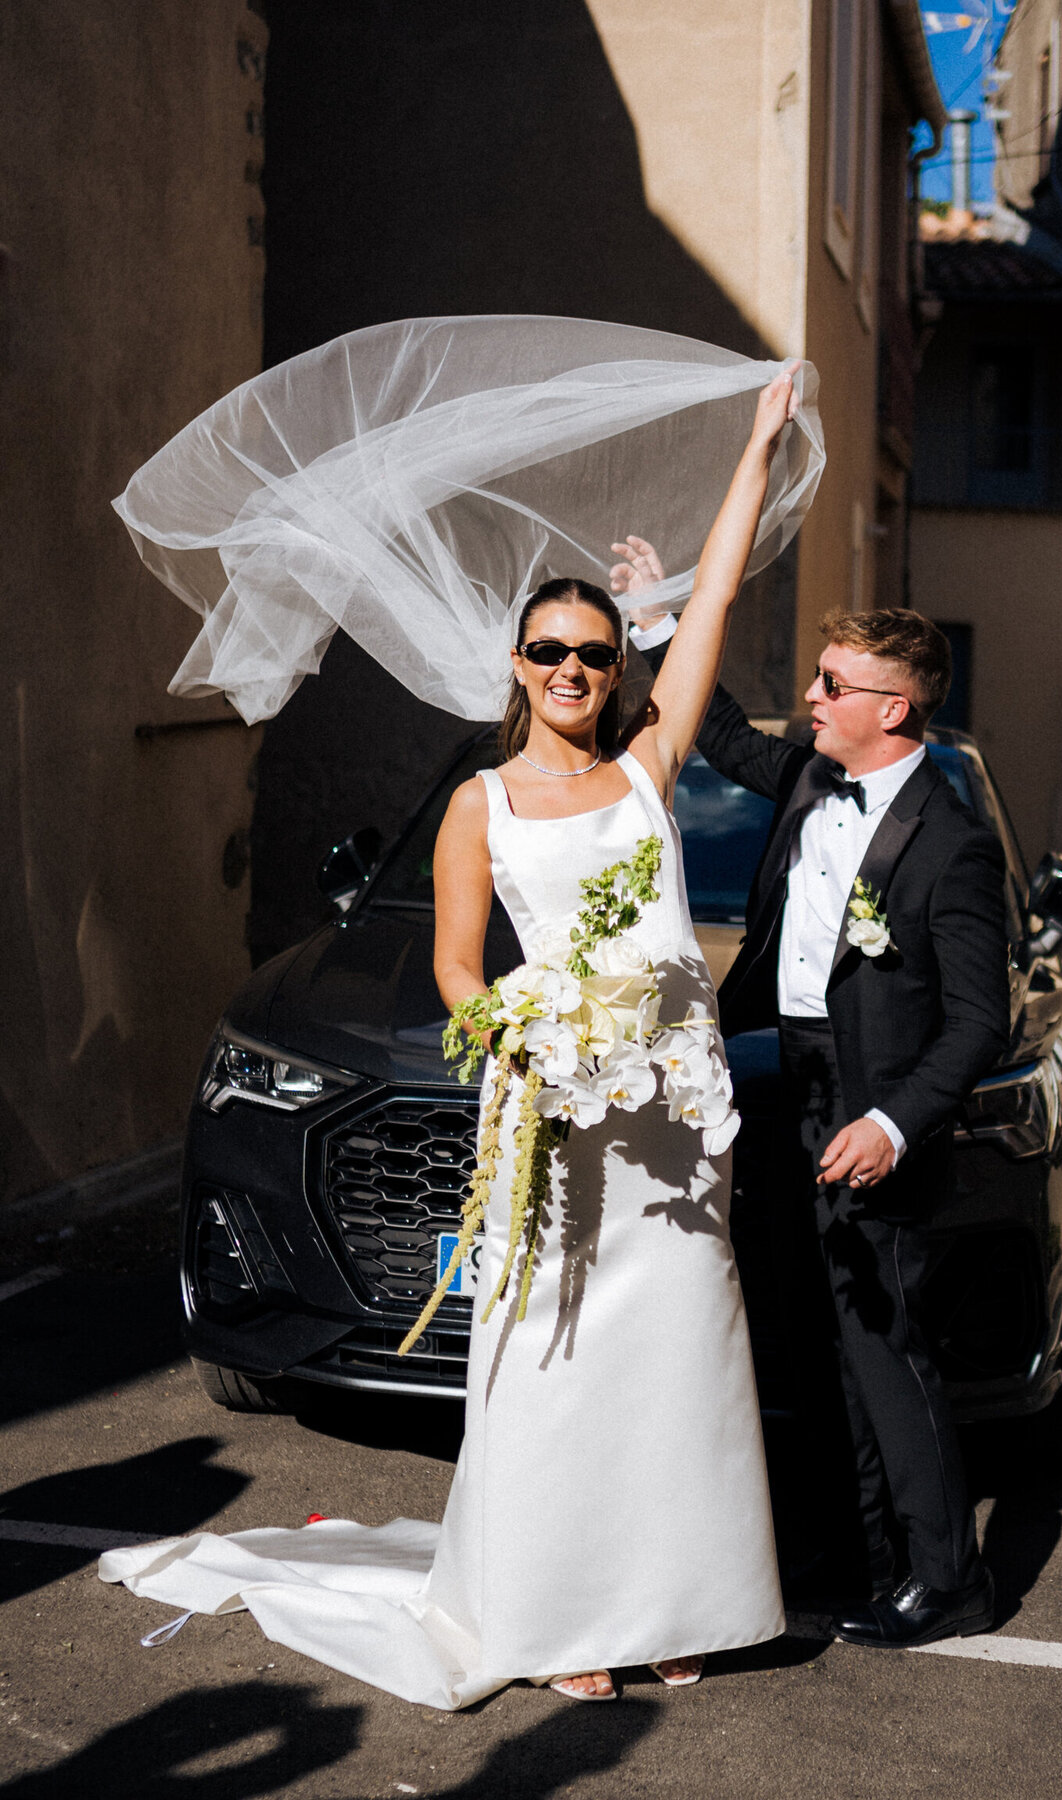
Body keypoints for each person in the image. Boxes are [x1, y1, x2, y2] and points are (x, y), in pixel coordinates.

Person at [101, 367, 801, 1708]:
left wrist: (755, 451)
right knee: (561, 1359)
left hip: (667, 1110)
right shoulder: (482, 801)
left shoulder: (648, 768)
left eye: (596, 655)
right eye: (551, 653)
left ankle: (676, 1596)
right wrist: (514, 1031)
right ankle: (561, 1613)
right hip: (555, 1107)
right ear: (519, 668)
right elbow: (455, 964)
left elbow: (710, 601)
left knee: (676, 1363)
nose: (576, 673)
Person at [627, 577, 1010, 1649]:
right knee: (811, 1334)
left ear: (896, 707)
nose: (808, 698)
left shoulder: (955, 843)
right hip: (781, 1079)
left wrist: (893, 1124)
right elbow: (710, 732)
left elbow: (981, 1018)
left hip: (873, 1103)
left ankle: (950, 1579)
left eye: (832, 685)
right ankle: (863, 1555)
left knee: (886, 1341)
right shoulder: (807, 777)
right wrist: (662, 626)